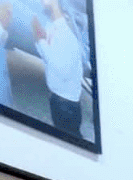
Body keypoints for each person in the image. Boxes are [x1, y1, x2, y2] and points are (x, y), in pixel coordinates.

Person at [33, 0, 85, 137]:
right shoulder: (52, 28)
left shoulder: (68, 34)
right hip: (56, 99)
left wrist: (41, 42)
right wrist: (39, 40)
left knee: (71, 142)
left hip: (66, 105)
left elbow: (63, 71)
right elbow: (47, 57)